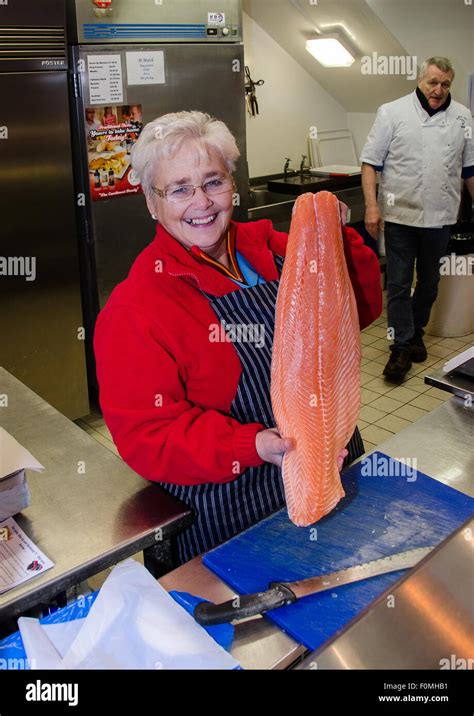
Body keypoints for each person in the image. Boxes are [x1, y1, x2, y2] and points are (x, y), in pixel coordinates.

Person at [94, 111, 382, 565]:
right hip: (229, 509)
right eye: (180, 189)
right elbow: (148, 436)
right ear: (151, 202)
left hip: (329, 459)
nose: (202, 203)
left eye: (213, 182)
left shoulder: (271, 247)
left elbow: (356, 315)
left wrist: (336, 239)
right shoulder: (136, 308)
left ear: (233, 185)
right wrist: (251, 445)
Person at [361, 57, 474, 383]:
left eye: (445, 84)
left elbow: (469, 171)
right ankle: (401, 346)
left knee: (428, 283)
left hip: (440, 217)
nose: (438, 90)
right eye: (432, 82)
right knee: (397, 283)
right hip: (399, 215)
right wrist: (372, 205)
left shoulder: (463, 117)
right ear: (420, 80)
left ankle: (415, 332)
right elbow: (371, 163)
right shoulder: (392, 112)